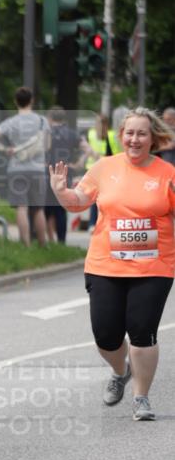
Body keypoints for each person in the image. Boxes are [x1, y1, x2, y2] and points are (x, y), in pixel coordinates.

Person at [49, 107, 175, 421]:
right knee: (106, 335)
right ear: (121, 136)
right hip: (106, 264)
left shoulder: (166, 173)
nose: (135, 139)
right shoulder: (104, 167)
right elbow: (79, 202)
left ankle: (141, 398)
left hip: (154, 265)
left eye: (141, 133)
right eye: (129, 133)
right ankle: (121, 371)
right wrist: (61, 191)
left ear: (152, 137)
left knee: (143, 331)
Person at [0, 86, 50, 247]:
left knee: (21, 208)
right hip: (37, 169)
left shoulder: (11, 122)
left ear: (16, 102)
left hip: (16, 168)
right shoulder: (42, 121)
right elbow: (47, 145)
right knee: (38, 209)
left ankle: (26, 245)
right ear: (32, 100)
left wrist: (4, 149)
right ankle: (43, 244)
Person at [44, 106, 88, 244]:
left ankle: (50, 241)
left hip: (48, 173)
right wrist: (79, 163)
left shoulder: (46, 133)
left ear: (50, 118)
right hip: (65, 174)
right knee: (61, 209)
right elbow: (87, 149)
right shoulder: (72, 133)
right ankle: (61, 241)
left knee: (47, 209)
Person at [85, 113, 121, 230]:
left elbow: (114, 154)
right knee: (97, 197)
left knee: (100, 198)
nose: (98, 125)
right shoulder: (94, 134)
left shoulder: (108, 135)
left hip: (101, 169)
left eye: (100, 123)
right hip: (97, 169)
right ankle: (95, 223)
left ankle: (98, 222)